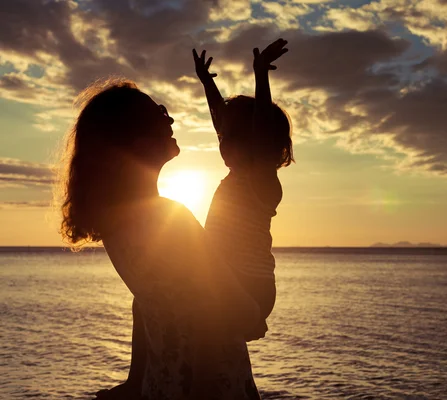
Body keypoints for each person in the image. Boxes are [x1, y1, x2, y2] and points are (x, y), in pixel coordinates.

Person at [58, 79, 262, 399]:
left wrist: (134, 380)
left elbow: (146, 301)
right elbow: (214, 308)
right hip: (211, 382)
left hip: (162, 383)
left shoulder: (115, 226)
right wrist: (250, 311)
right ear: (133, 140)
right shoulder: (171, 220)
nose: (170, 120)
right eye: (159, 114)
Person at [193, 38, 293, 341]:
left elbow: (260, 128)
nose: (222, 142)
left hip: (249, 285)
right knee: (149, 303)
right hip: (228, 282)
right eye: (223, 137)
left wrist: (261, 74)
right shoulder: (239, 175)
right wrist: (206, 83)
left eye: (230, 138)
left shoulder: (260, 179)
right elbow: (221, 120)